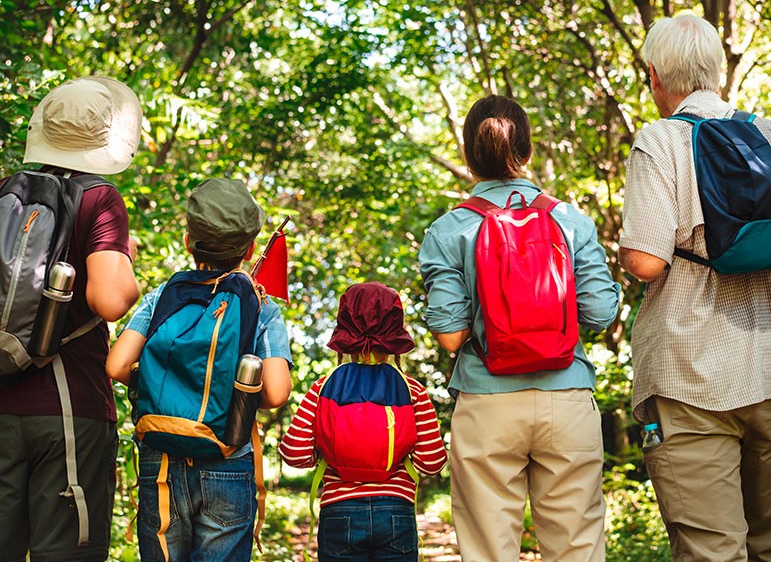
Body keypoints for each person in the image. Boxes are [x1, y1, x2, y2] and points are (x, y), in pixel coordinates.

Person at [619, 12, 771, 561]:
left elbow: (647, 262)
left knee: (711, 550)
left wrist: (629, 251)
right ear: (717, 70)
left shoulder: (661, 141)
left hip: (691, 379)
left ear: (655, 76)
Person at [419, 94, 620, 562]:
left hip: (488, 402)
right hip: (567, 396)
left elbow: (450, 335)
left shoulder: (449, 230)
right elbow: (601, 313)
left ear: (469, 156)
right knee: (577, 547)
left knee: (490, 550)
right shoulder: (570, 220)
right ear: (527, 152)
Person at [105, 178, 293, 562]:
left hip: (161, 458)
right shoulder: (260, 306)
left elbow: (116, 364)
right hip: (228, 455)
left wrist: (163, 387)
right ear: (251, 248)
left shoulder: (163, 296)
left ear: (189, 241)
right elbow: (276, 393)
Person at [0, 76, 142, 562]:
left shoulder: (6, 192)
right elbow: (110, 300)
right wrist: (126, 262)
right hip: (68, 405)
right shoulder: (98, 198)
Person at [278, 281, 448, 562]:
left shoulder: (322, 387)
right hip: (396, 511)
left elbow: (294, 454)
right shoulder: (412, 390)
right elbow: (432, 462)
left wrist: (328, 454)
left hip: (339, 512)